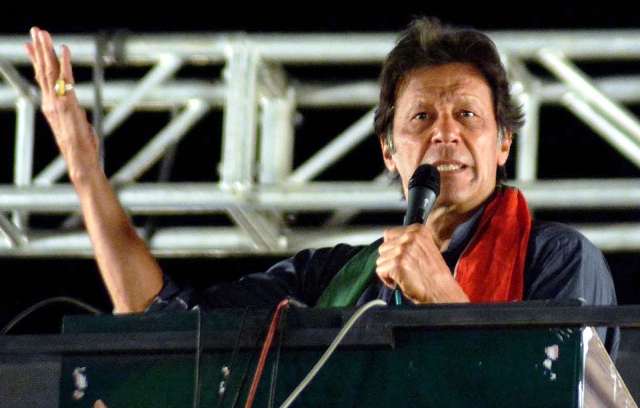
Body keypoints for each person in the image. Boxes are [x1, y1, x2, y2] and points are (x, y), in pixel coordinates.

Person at [25, 16, 620, 361]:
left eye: (468, 116)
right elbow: (156, 317)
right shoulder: (337, 278)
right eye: (420, 118)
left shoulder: (559, 258)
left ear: (503, 145)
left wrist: (443, 301)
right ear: (388, 151)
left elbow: (555, 388)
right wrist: (84, 171)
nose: (445, 134)